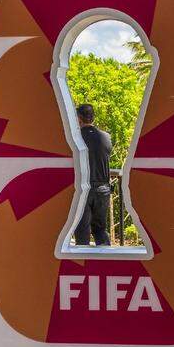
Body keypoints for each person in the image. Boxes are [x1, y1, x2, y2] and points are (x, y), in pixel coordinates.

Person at [73, 104, 113, 247]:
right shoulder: (106, 137)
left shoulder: (75, 138)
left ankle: (83, 260)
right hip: (103, 189)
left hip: (83, 189)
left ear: (78, 118)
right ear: (93, 118)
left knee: (82, 232)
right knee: (100, 230)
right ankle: (107, 259)